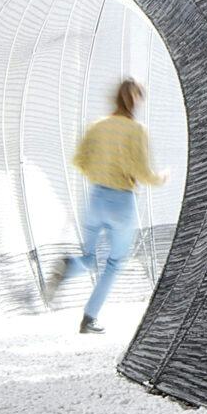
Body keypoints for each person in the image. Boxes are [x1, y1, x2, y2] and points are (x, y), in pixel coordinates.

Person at [50, 78, 165, 334]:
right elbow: (143, 172)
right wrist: (161, 178)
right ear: (135, 100)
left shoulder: (97, 126)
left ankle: (71, 265)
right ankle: (89, 318)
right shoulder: (137, 130)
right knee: (114, 262)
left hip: (95, 199)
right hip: (122, 202)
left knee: (89, 258)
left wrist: (101, 171)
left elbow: (80, 160)